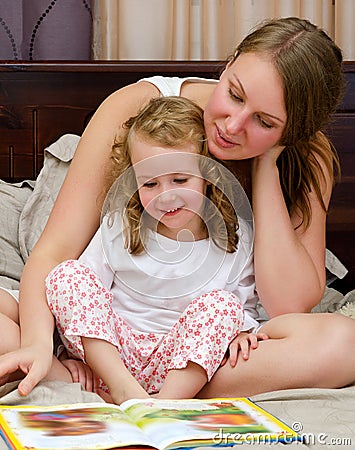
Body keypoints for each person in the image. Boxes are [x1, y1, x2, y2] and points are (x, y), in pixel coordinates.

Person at [0, 16, 354, 398]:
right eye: (234, 94)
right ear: (229, 63)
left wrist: (266, 162)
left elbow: (289, 305)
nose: (232, 126)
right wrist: (37, 342)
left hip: (207, 348)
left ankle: (165, 393)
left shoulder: (305, 155)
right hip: (109, 322)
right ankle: (86, 376)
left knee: (343, 344)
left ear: (293, 131)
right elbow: (55, 255)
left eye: (264, 121)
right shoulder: (138, 109)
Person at [45, 96, 267, 404]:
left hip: (178, 363)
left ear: (208, 175)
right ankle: (123, 388)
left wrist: (242, 333)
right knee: (67, 275)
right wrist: (67, 354)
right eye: (150, 184)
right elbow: (80, 302)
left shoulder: (238, 237)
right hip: (111, 360)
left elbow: (246, 307)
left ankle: (163, 404)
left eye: (179, 179)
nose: (166, 196)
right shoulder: (119, 225)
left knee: (225, 305)